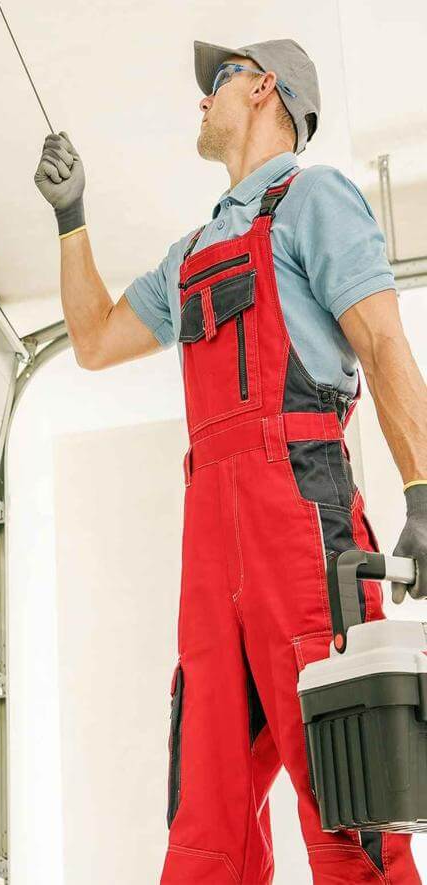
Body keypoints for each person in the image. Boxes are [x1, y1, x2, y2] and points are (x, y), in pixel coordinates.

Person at [34, 37, 427, 883]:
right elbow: (97, 341)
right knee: (205, 824)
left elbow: (386, 344)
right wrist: (72, 219)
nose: (200, 99)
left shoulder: (318, 198)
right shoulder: (191, 253)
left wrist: (424, 494)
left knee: (349, 807)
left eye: (216, 82)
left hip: (302, 519)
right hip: (211, 544)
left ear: (264, 88)